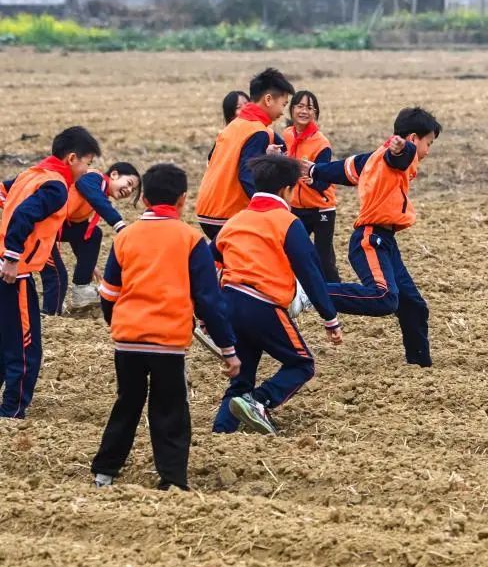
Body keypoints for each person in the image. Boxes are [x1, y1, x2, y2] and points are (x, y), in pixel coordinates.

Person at [93, 164, 239, 490]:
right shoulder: (190, 240)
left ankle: (104, 474)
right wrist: (228, 349)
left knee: (126, 404)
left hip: (128, 341)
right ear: (183, 200)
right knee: (170, 410)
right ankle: (172, 480)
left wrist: (115, 322)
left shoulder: (125, 236)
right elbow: (208, 302)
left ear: (143, 198)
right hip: (168, 343)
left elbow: (109, 295)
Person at [211, 155, 342, 436]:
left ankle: (221, 434)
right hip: (262, 305)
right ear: (286, 190)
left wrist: (204, 308)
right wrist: (330, 318)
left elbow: (210, 260)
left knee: (241, 377)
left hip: (229, 303)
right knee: (302, 363)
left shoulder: (235, 221)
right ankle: (259, 402)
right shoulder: (287, 222)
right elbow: (310, 272)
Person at [303, 107, 441, 368]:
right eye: (428, 143)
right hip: (370, 239)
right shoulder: (397, 154)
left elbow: (344, 169)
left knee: (413, 305)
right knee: (383, 298)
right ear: (413, 138)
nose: (428, 151)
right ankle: (308, 293)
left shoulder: (374, 158)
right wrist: (401, 149)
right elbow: (399, 156)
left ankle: (420, 367)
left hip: (386, 242)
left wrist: (314, 171)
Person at [0, 126, 101, 418]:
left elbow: (7, 195)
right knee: (25, 348)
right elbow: (24, 215)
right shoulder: (56, 186)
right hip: (13, 274)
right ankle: (12, 411)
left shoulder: (31, 174)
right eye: (88, 163)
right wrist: (12, 255)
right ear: (71, 158)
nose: (88, 170)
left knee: (6, 341)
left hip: (11, 270)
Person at [196, 68, 293, 240]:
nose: (282, 111)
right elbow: (247, 175)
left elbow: (213, 158)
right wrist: (267, 208)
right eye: (283, 104)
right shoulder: (258, 131)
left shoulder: (235, 124)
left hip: (207, 209)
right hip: (228, 214)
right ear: (269, 99)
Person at [39, 162, 139, 314]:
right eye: (129, 183)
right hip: (38, 228)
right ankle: (49, 315)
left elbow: (78, 231)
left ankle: (82, 290)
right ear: (114, 174)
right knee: (58, 277)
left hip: (55, 227)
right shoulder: (92, 178)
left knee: (93, 234)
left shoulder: (96, 194)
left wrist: (88, 265)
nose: (129, 190)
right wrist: (120, 226)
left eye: (133, 190)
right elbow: (91, 193)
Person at [283, 90, 340, 282]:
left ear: (315, 113)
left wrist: (313, 181)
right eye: (300, 106)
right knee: (292, 250)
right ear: (291, 110)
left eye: (309, 108)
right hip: (296, 207)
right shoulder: (287, 135)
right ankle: (297, 290)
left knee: (324, 256)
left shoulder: (321, 143)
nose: (304, 111)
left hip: (321, 207)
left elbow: (325, 181)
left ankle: (335, 294)